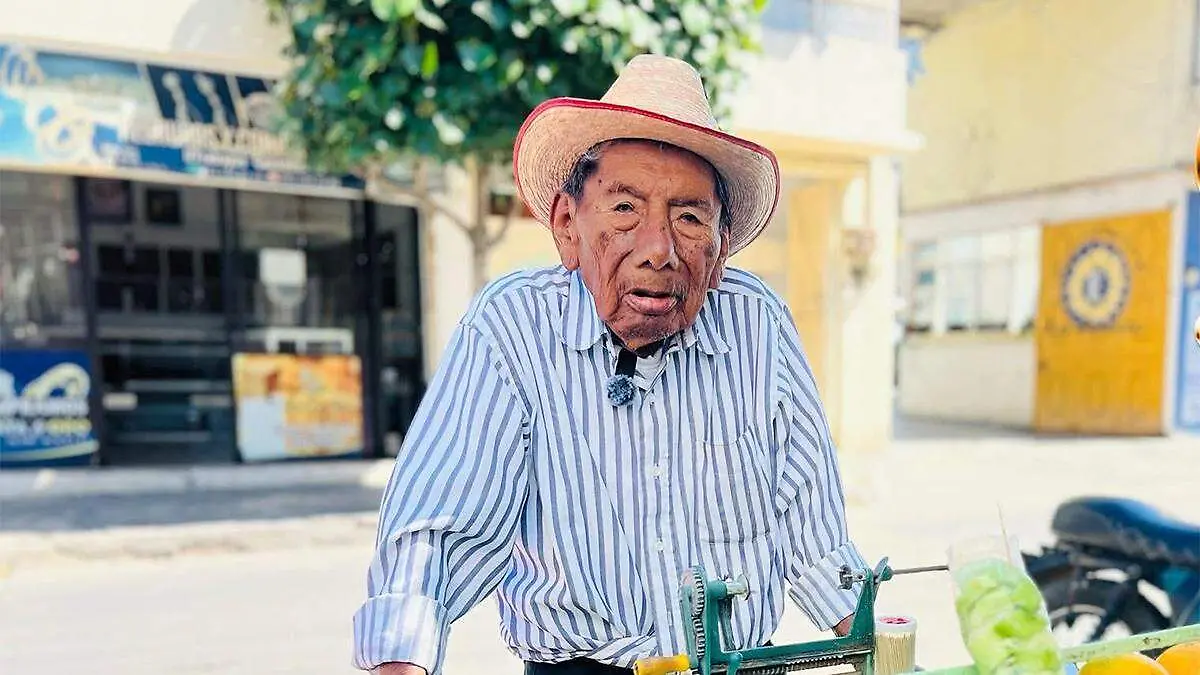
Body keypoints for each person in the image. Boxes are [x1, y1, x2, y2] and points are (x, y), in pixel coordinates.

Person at [353, 54, 868, 675]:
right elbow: (438, 531)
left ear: (721, 245)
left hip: (739, 666)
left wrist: (880, 640)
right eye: (625, 210)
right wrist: (401, 661)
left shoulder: (757, 324)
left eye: (689, 217)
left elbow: (811, 524)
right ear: (568, 225)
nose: (659, 250)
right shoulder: (515, 326)